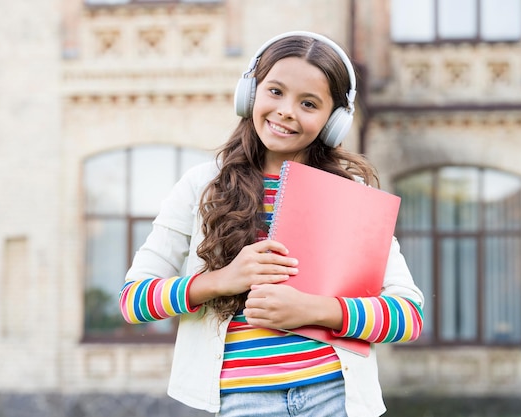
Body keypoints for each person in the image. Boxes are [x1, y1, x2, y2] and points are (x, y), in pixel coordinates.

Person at [119, 31, 424, 417]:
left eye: (309, 103)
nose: (286, 111)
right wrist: (223, 280)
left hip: (332, 397)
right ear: (250, 92)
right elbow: (133, 301)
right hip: (242, 401)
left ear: (334, 121)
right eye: (275, 91)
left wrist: (313, 310)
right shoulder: (200, 187)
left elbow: (408, 316)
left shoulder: (349, 193)